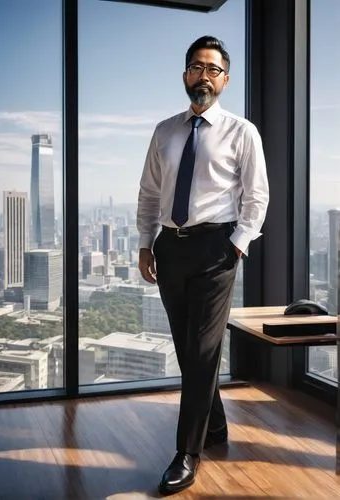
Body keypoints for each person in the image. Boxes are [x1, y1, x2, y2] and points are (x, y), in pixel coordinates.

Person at [137, 35, 269, 495]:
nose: (204, 76)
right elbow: (151, 193)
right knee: (187, 347)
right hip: (170, 248)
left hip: (217, 250)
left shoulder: (242, 131)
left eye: (213, 69)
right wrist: (145, 243)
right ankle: (213, 425)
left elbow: (257, 197)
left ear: (225, 80)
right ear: (185, 75)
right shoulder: (165, 131)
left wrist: (236, 244)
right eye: (197, 67)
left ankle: (187, 451)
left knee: (202, 350)